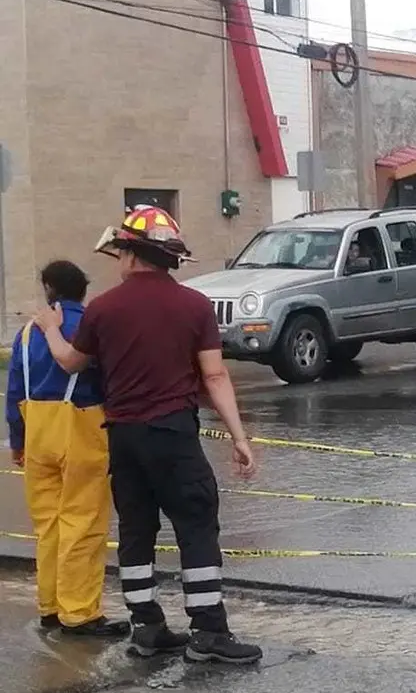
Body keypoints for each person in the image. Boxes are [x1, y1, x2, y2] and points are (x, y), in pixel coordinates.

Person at [34, 205, 262, 665]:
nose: (117, 260)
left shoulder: (103, 309)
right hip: (173, 433)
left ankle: (147, 628)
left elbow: (70, 363)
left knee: (137, 529)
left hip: (122, 436)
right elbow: (215, 377)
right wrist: (239, 437)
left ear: (134, 255)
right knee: (196, 524)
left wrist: (50, 329)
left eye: (120, 251)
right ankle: (208, 633)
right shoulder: (194, 305)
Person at [6, 261, 127, 638]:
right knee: (84, 523)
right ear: (83, 289)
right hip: (82, 430)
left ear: (48, 288)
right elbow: (113, 382)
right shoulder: (91, 326)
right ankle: (80, 613)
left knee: (49, 525)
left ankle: (50, 606)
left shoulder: (27, 334)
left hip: (37, 434)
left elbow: (14, 394)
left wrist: (18, 441)